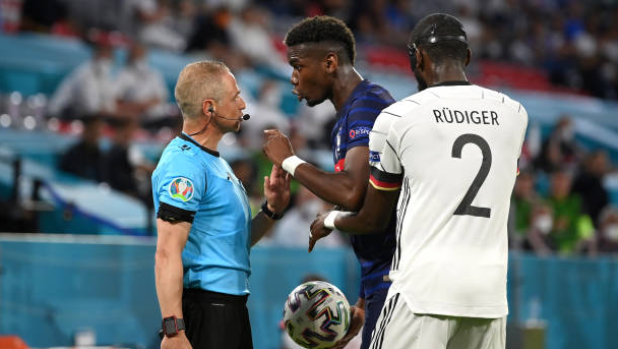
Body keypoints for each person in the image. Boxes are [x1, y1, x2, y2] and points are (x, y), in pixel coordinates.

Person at [309, 13, 528, 348]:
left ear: (418, 57)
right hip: (489, 298)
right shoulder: (514, 114)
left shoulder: (397, 117)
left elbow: (373, 219)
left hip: (421, 295)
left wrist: (330, 218)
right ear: (467, 57)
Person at [262, 15, 397, 349]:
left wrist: (289, 160)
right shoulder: (347, 118)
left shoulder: (368, 105)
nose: (292, 79)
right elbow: (373, 211)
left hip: (401, 283)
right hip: (382, 282)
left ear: (330, 62)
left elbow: (351, 192)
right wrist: (364, 300)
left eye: (297, 66)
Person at [152, 60, 291, 349]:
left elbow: (233, 245)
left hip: (230, 310)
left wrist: (271, 210)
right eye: (235, 97)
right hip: (204, 312)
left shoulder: (217, 163)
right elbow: (167, 252)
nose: (243, 104)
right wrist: (174, 330)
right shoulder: (184, 164)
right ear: (209, 107)